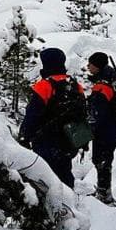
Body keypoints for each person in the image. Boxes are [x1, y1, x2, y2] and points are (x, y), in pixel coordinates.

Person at [19, 47, 85, 188]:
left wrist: (24, 136)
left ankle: (54, 199)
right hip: (70, 139)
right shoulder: (75, 85)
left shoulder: (44, 86)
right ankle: (69, 198)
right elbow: (82, 114)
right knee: (65, 171)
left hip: (47, 140)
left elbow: (32, 115)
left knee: (46, 177)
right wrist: (82, 140)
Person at [86, 52, 116, 204]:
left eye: (91, 64)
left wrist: (90, 129)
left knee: (101, 161)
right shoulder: (112, 79)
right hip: (114, 128)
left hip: (105, 131)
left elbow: (98, 114)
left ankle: (104, 193)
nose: (88, 66)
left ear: (97, 66)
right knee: (104, 161)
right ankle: (103, 191)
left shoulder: (102, 86)